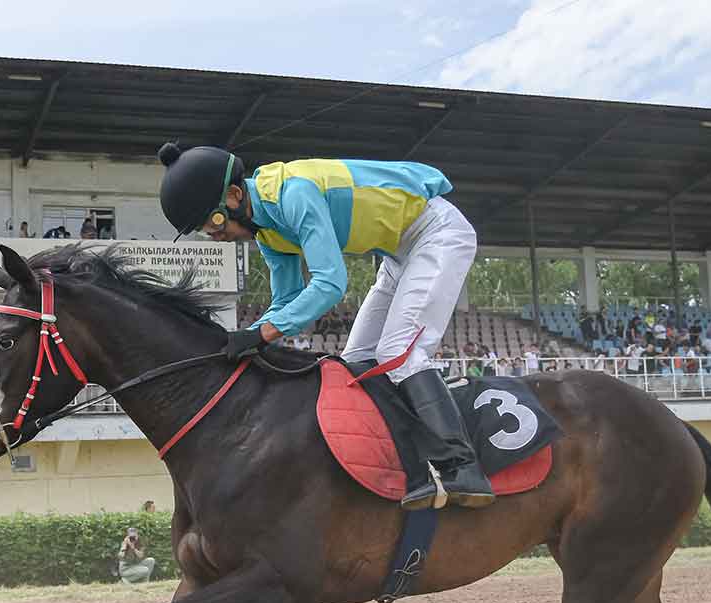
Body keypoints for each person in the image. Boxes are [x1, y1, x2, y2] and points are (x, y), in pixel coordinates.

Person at [158, 141, 492, 509]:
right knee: (356, 362)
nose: (213, 234)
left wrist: (262, 334)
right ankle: (411, 466)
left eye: (213, 222)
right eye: (204, 229)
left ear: (235, 196)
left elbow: (331, 284)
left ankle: (463, 467)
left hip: (436, 233)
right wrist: (242, 338)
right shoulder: (267, 231)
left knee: (398, 352)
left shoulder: (294, 194)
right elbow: (286, 300)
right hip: (398, 255)